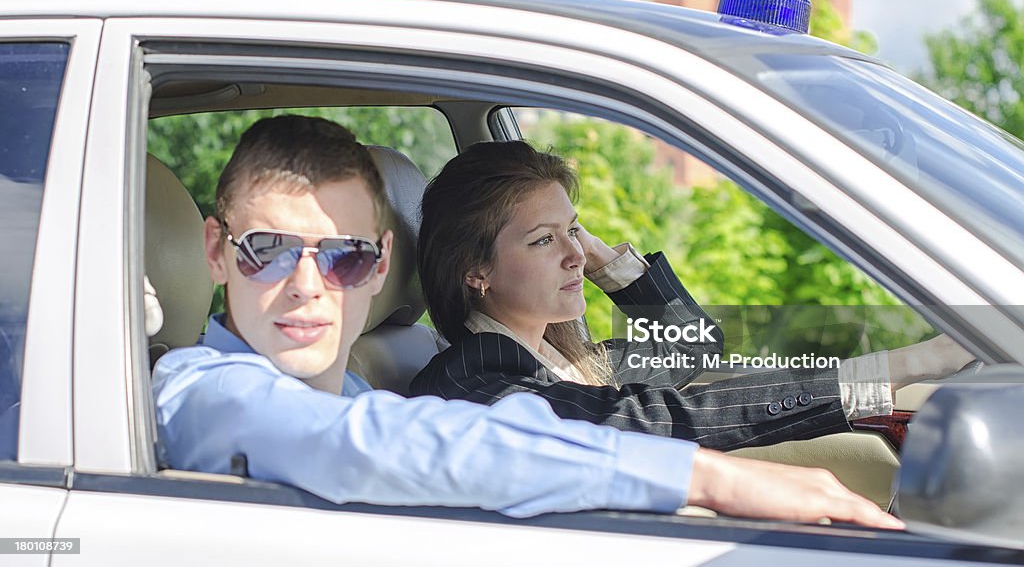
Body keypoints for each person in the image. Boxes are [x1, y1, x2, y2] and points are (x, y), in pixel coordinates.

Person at [152, 115, 902, 527]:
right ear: (217, 251)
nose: (307, 285)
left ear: (382, 263)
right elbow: (375, 446)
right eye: (270, 251)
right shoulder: (199, 389)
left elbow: (691, 348)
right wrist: (712, 480)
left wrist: (603, 259)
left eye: (343, 256)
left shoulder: (354, 383)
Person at [411, 140, 975, 451]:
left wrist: (611, 264)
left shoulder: (561, 358)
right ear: (475, 270)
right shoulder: (474, 379)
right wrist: (909, 362)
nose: (574, 254)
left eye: (575, 230)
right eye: (543, 240)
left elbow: (693, 350)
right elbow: (653, 419)